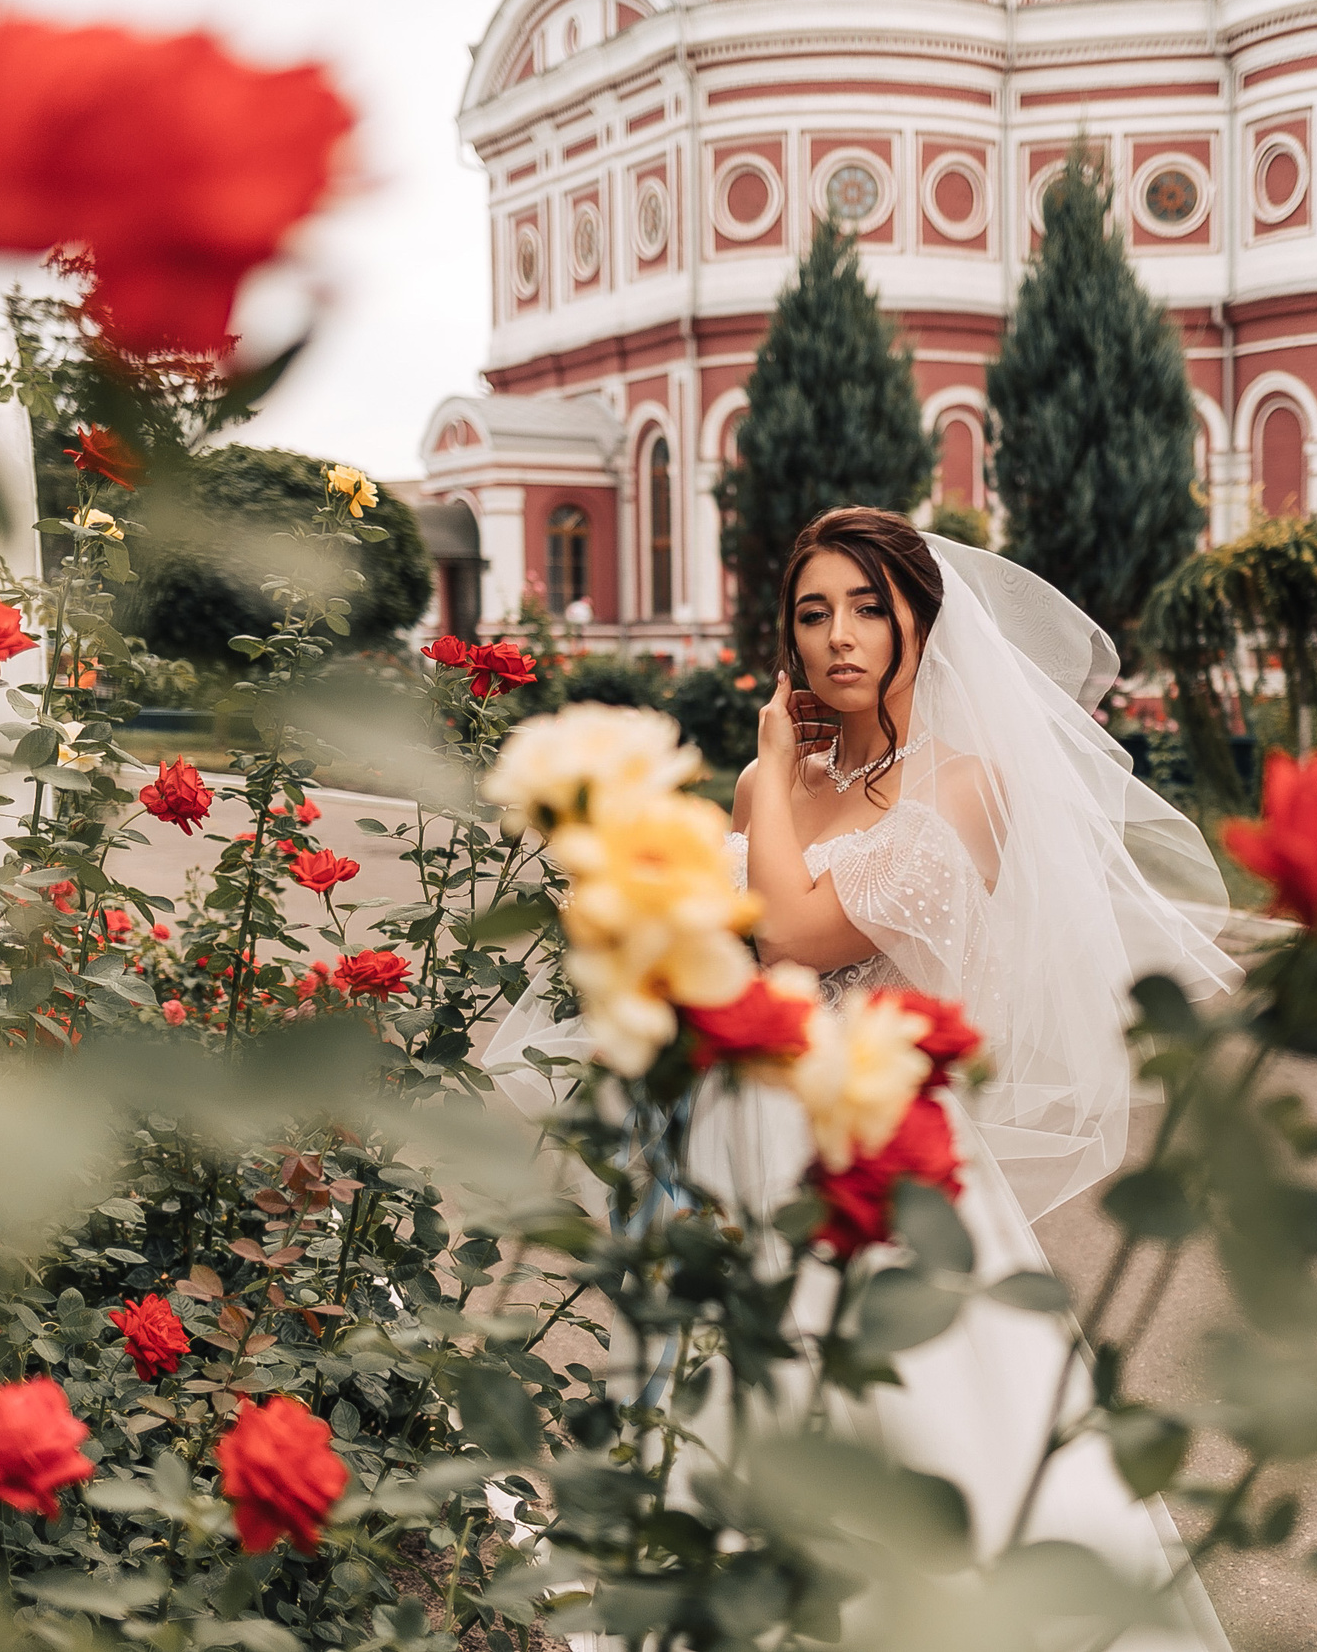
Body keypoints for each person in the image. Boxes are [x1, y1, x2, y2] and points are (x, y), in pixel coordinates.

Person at [490, 507, 1241, 1650]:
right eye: (811, 613)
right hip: (738, 1137)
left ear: (918, 626)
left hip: (880, 1148)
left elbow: (793, 930)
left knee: (910, 1423)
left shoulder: (963, 786)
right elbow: (725, 951)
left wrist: (777, 769)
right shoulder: (764, 789)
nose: (838, 637)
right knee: (730, 1411)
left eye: (866, 609)